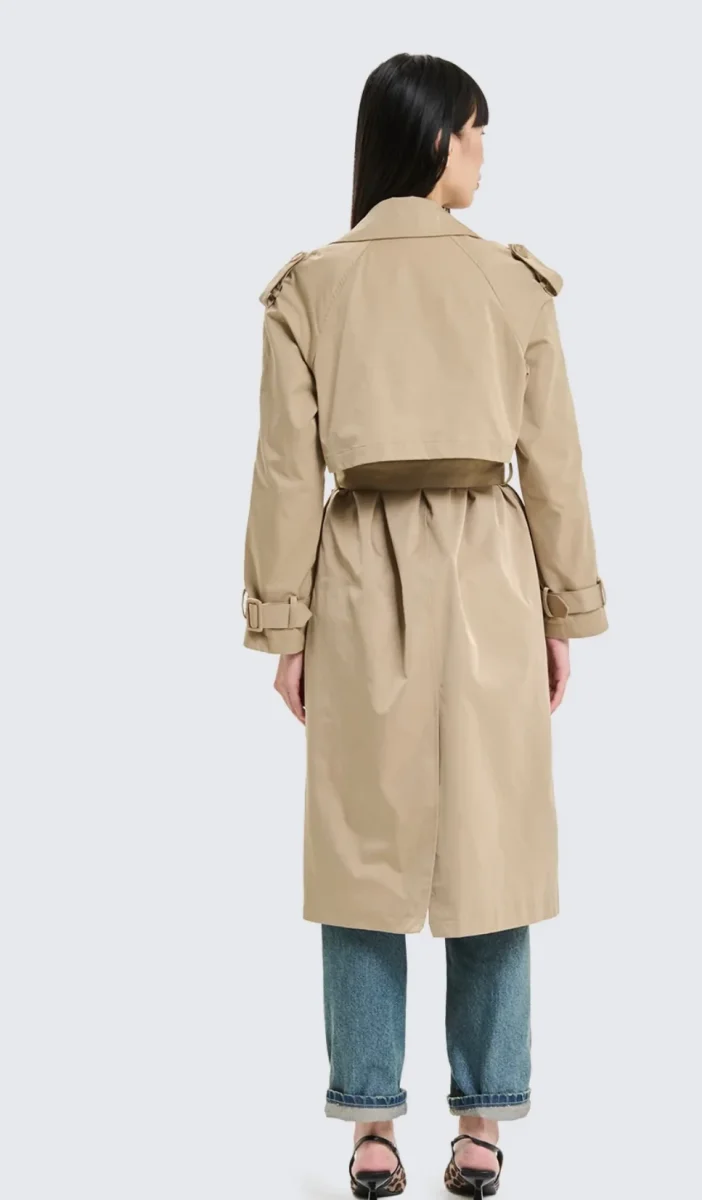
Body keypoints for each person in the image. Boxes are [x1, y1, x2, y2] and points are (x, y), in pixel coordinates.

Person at [242, 52, 607, 1199]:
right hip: (492, 571)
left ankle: (370, 1127)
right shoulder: (511, 283)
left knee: (362, 851)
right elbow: (554, 467)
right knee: (492, 846)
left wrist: (285, 627)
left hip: (357, 569)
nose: (485, 153)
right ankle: (484, 1124)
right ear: (438, 136)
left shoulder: (312, 286)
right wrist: (564, 609)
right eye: (477, 130)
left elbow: (286, 473)